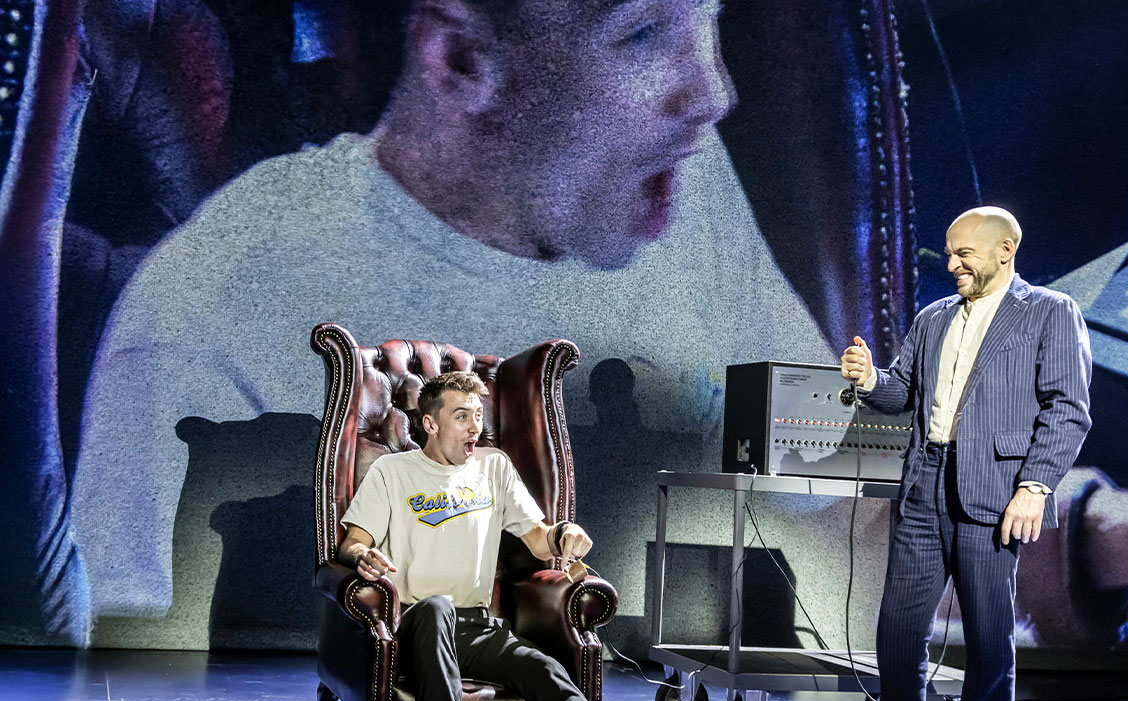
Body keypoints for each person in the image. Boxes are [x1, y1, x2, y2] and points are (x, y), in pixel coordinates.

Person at [70, 0, 835, 635]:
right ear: (461, 61)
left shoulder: (682, 186)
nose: (713, 92)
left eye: (707, 15)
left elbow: (833, 472)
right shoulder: (218, 303)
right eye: (640, 33)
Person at [820, 206, 1092, 701]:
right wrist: (869, 380)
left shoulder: (1050, 312)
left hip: (994, 495)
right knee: (897, 630)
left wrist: (1036, 486)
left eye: (964, 254)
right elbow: (903, 395)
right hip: (923, 487)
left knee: (991, 642)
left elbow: (1068, 410)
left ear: (1006, 249)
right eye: (948, 253)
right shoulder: (933, 317)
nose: (952, 265)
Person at [338, 371, 684, 701]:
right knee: (437, 606)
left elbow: (540, 540)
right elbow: (352, 542)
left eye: (478, 416)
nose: (474, 427)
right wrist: (363, 557)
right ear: (429, 423)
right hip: (418, 620)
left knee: (543, 669)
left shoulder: (494, 467)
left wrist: (565, 534)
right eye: (461, 416)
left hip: (480, 627)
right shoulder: (392, 472)